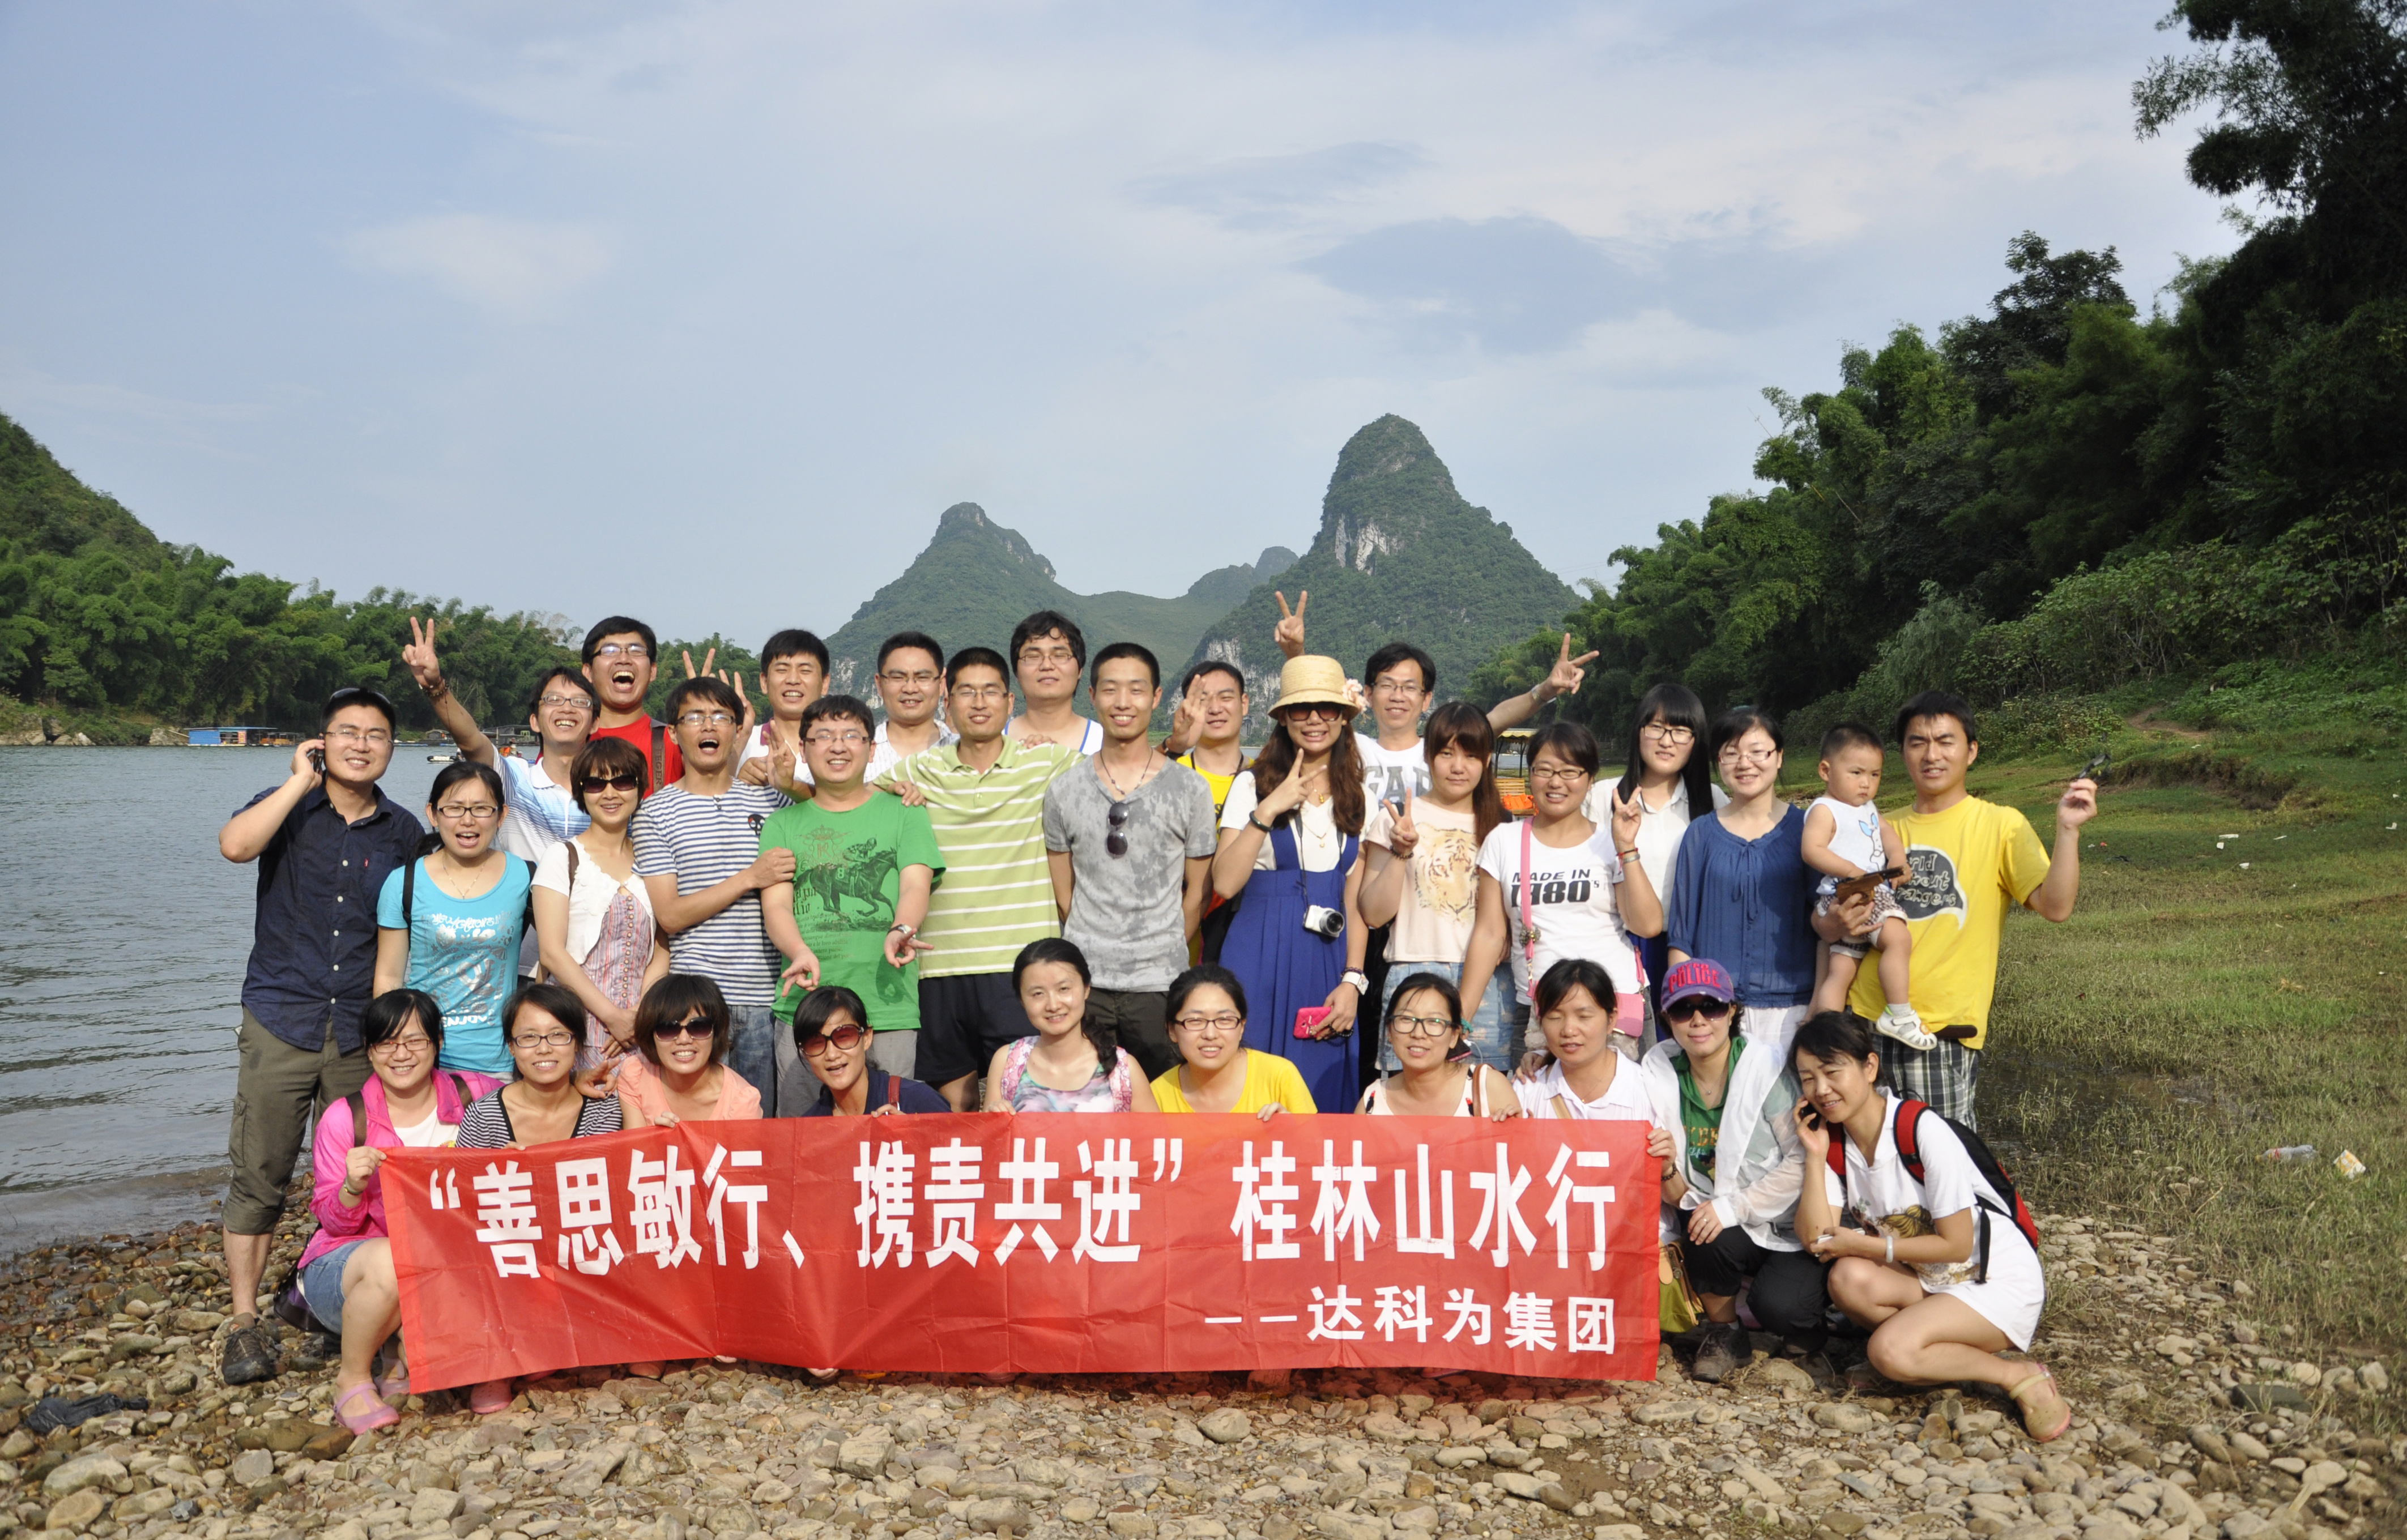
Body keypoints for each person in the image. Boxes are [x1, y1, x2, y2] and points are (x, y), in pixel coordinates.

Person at [214, 686, 423, 1386]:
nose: (361, 744)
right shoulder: (287, 806)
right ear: (321, 741)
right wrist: (297, 781)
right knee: (261, 1168)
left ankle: (333, 1297)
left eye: (376, 734)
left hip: (360, 1030)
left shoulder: (402, 832)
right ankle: (244, 1320)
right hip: (282, 1013)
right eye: (346, 732)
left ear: (392, 748)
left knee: (359, 1174)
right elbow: (235, 846)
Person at [1820, 690, 2097, 1125]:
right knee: (1860, 1160)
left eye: (1945, 741)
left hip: (1939, 1036)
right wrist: (1832, 923)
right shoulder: (1875, 825)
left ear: (1971, 751)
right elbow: (1825, 913)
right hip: (1861, 1028)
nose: (1931, 754)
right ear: (1902, 753)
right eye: (1917, 742)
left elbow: (2055, 906)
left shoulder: (2000, 824)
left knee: (1941, 1159)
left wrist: (2067, 830)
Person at [1792, 1009, 2070, 1441]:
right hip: (1932, 1279)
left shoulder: (1920, 1129)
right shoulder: (1835, 1141)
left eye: (1832, 1071)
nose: (1821, 1089)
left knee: (1888, 1349)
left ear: (1869, 1066)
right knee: (1846, 1279)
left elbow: (1957, 1245)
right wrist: (1813, 1154)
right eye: (1808, 1078)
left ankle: (2015, 1374)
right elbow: (1816, 1238)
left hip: (1993, 1279)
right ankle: (1924, 1356)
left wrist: (1869, 1246)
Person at [881, 646, 1082, 1108]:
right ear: (947, 704)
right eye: (966, 692)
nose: (978, 702)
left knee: (1027, 1101)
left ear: (1010, 703)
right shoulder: (917, 770)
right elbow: (847, 797)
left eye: (990, 691)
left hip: (1020, 965)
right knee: (954, 1105)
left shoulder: (1047, 761)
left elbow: (1120, 769)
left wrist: (1173, 746)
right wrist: (892, 788)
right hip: (939, 966)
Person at [301, 989, 500, 1431]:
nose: (402, 1054)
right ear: (370, 1050)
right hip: (354, 1270)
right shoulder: (345, 1118)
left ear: (438, 1042)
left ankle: (402, 1349)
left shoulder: (477, 1095)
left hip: (447, 1266)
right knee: (394, 1259)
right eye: (387, 1042)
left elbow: (537, 1106)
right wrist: (352, 1186)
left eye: (414, 1040)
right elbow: (334, 1223)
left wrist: (581, 1083)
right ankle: (353, 1380)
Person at [1641, 958, 1826, 1384]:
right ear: (1667, 1018)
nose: (1698, 1020)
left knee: (1781, 1307)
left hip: (1790, 1221)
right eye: (1683, 1009)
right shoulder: (1658, 1073)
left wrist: (1733, 1207)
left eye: (1711, 1006)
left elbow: (1801, 1160)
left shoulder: (1767, 1068)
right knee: (1702, 1228)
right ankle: (1726, 1332)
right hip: (1721, 1223)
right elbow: (1680, 1196)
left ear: (1732, 1011)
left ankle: (1810, 1331)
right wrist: (1666, 1169)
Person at [1042, 642, 1219, 1081]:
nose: (1123, 702)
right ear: (1092, 695)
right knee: (1086, 1096)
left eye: (1136, 690)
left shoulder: (1190, 788)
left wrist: (1163, 944)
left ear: (1156, 697)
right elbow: (1064, 894)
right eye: (1110, 689)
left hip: (1160, 982)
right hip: (1085, 983)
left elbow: (1198, 892)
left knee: (1163, 1097)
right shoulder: (1063, 789)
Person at [455, 983, 627, 1414]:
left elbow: (611, 1192)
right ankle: (496, 1364)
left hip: (577, 1251)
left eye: (558, 1035)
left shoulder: (603, 1108)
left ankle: (553, 1340)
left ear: (577, 1043)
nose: (544, 1048)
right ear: (511, 1047)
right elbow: (460, 1206)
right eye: (528, 1037)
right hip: (509, 1257)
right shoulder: (484, 1115)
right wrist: (501, 1177)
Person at [1213, 655, 1372, 1112]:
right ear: (1283, 717)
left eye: (1328, 708)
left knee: (1320, 1085)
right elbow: (1225, 883)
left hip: (1327, 961)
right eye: (1301, 709)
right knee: (1248, 1084)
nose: (1315, 719)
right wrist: (1268, 809)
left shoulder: (1361, 797)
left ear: (1343, 718)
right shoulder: (1251, 786)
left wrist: (1353, 980)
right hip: (1257, 953)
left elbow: (1355, 903)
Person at [632, 676, 796, 1110]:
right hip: (696, 1005)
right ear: (673, 733)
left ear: (737, 730)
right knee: (697, 1125)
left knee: (761, 1127)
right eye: (694, 717)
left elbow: (834, 810)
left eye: (721, 716)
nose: (708, 726)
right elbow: (670, 915)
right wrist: (750, 877)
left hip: (768, 1000)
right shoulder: (655, 812)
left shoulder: (773, 803)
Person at [760, 693, 944, 1078]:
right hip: (804, 1008)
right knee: (803, 1117)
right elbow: (776, 905)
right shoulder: (782, 823)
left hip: (886, 1005)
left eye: (850, 735)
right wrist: (798, 951)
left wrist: (901, 929)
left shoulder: (905, 813)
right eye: (823, 736)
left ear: (871, 749)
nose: (838, 746)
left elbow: (915, 885)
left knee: (888, 1114)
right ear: (804, 749)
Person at [402, 619, 597, 976]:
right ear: (535, 721)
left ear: (595, 722)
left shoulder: (609, 793)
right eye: (553, 700)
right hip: (524, 965)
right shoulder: (514, 779)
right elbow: (470, 739)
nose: (567, 708)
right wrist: (436, 688)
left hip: (597, 961)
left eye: (580, 702)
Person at [1460, 721, 1660, 1060]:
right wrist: (1460, 1020)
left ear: (1590, 779)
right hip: (1542, 1011)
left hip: (1614, 1007)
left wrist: (1626, 847)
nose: (1556, 782)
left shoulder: (1610, 840)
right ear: (1530, 775)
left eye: (1570, 772)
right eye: (1544, 770)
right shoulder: (1503, 841)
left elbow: (1647, 924)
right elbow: (1490, 934)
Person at [1358, 702, 1510, 1074]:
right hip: (1413, 973)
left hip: (1489, 983)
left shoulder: (1503, 826)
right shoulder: (1397, 818)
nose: (1458, 766)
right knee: (1409, 1092)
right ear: (1428, 756)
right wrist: (1400, 852)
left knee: (1485, 1093)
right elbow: (1373, 914)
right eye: (1446, 754)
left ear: (1487, 760)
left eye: (1471, 756)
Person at [1663, 708, 1817, 1048]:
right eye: (1731, 754)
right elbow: (1682, 936)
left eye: (1757, 752)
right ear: (1718, 762)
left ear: (1779, 757)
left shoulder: (1808, 830)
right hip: (1715, 1010)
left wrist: (1820, 1008)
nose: (1745, 763)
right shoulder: (1700, 834)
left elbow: (1825, 925)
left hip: (1793, 1009)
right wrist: (1687, 1007)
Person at [373, 761, 533, 1077]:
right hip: (423, 1059)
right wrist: (394, 1048)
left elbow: (555, 957)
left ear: (501, 815)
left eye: (481, 809)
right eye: (454, 808)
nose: (468, 820)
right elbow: (389, 978)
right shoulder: (404, 883)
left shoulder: (525, 876)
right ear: (433, 814)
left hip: (499, 1061)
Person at [532, 736, 670, 1074]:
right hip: (571, 1028)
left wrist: (638, 1015)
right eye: (596, 784)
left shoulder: (654, 859)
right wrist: (612, 1016)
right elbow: (551, 953)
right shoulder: (562, 857)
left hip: (639, 1031)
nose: (610, 793)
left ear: (639, 788)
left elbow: (663, 945)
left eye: (623, 782)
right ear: (582, 792)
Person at [1585, 683, 1726, 1013]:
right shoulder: (1603, 797)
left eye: (1680, 731)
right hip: (1619, 947)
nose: (1666, 741)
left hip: (1692, 950)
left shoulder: (1713, 801)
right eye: (1657, 728)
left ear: (1696, 740)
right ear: (1639, 731)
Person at [1802, 723, 1928, 1047]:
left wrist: (1898, 859)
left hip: (1855, 894)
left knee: (1841, 972)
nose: (1866, 784)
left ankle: (1823, 1036)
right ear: (1826, 771)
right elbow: (1812, 849)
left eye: (1875, 775)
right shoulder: (1825, 809)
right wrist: (1853, 872)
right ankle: (1900, 1014)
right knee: (1898, 939)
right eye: (1856, 773)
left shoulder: (1867, 808)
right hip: (1853, 893)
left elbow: (1887, 833)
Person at [983, 939, 1160, 1112]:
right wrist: (993, 1120)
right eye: (1038, 994)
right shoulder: (1007, 1063)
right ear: (1022, 1000)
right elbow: (989, 1130)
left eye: (1064, 989)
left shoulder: (1123, 1069)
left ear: (1086, 989)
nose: (1053, 1005)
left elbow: (1153, 1131)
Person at [1149, 965, 1316, 1119]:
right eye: (1195, 1021)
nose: (1210, 1034)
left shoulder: (1280, 1076)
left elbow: (1315, 1141)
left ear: (1242, 1026)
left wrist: (1292, 1132)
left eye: (1224, 1020)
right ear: (1172, 1030)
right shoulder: (1156, 1096)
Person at [1355, 972, 1521, 1117]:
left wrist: (1517, 1131)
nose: (1418, 1033)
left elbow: (1518, 1143)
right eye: (1406, 1019)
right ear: (1389, 1031)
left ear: (1454, 1036)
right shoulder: (1372, 1103)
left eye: (1434, 1021)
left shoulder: (1488, 1087)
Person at [1516, 959, 1662, 1123]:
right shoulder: (1525, 1093)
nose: (1569, 1030)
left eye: (1584, 1017)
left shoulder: (1649, 1092)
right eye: (1555, 1017)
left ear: (1611, 1020)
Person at [614, 974, 764, 1125]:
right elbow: (635, 1139)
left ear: (716, 1032)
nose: (684, 1040)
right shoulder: (636, 1074)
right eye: (668, 1029)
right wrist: (656, 1137)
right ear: (650, 1034)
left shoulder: (741, 1101)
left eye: (699, 1027)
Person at [779, 985, 951, 1115]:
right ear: (805, 1052)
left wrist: (912, 1140)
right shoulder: (810, 1127)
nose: (832, 1054)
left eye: (844, 1037)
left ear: (867, 1038)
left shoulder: (919, 1102)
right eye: (816, 1043)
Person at [581, 616, 684, 791]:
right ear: (588, 672)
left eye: (636, 650)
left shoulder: (675, 742)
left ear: (652, 671)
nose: (624, 659)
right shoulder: (571, 743)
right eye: (610, 650)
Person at [737, 628, 832, 786]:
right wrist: (737, 784)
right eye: (782, 670)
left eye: (805, 671)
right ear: (764, 682)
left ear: (825, 683)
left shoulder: (841, 747)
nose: (793, 680)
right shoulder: (743, 743)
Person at [866, 631, 960, 780]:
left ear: (942, 684)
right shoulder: (858, 755)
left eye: (922, 678)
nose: (910, 689)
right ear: (879, 684)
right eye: (898, 677)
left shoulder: (965, 751)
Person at [1007, 609, 1104, 754]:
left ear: (1080, 670)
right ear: (1016, 672)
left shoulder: (1107, 744)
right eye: (1033, 657)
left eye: (1059, 655)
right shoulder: (992, 744)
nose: (1047, 666)